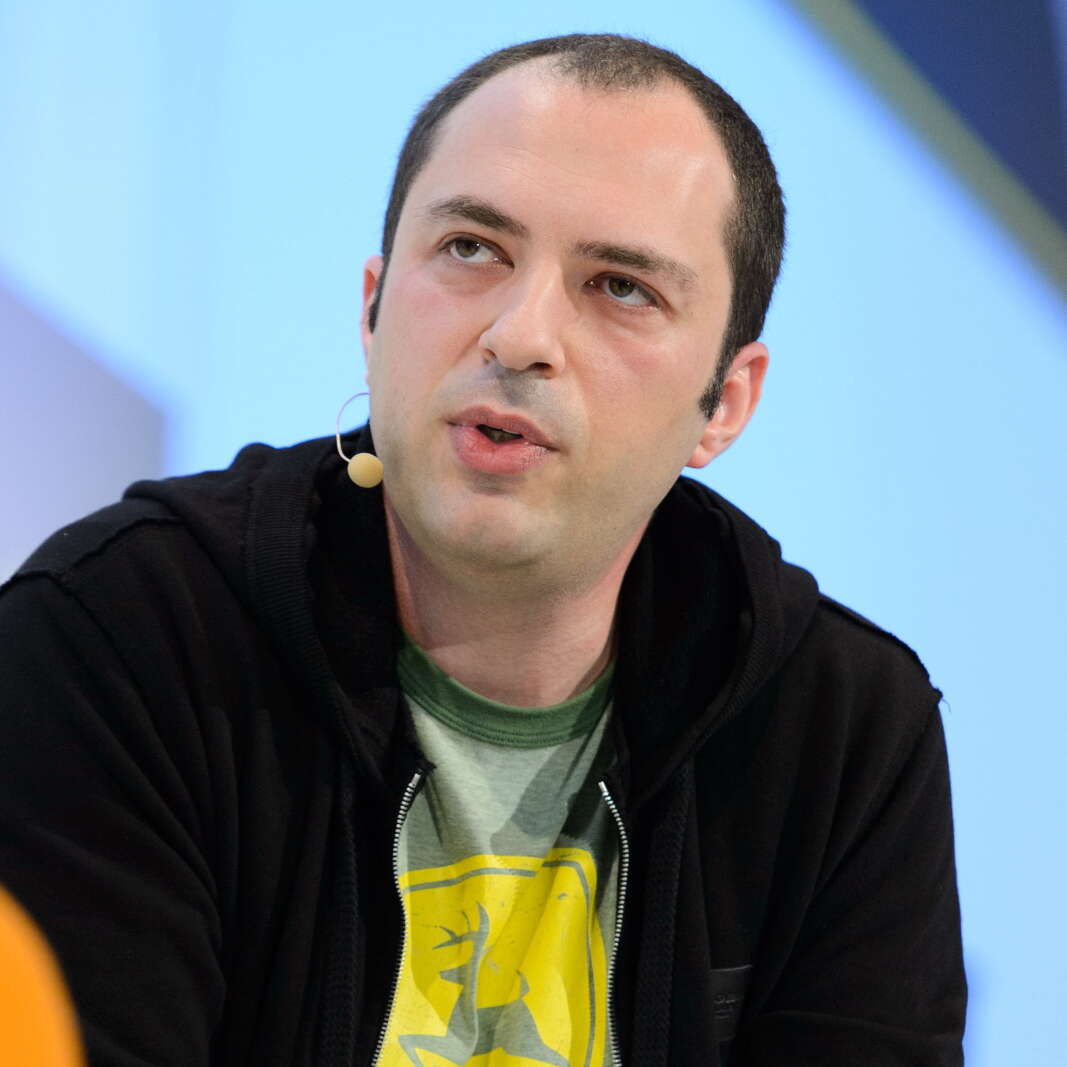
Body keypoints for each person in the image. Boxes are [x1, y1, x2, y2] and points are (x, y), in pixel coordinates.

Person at [0, 32, 965, 1067]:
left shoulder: (842, 733)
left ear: (723, 402)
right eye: (471, 248)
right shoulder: (119, 634)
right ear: (372, 306)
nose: (519, 335)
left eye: (620, 287)